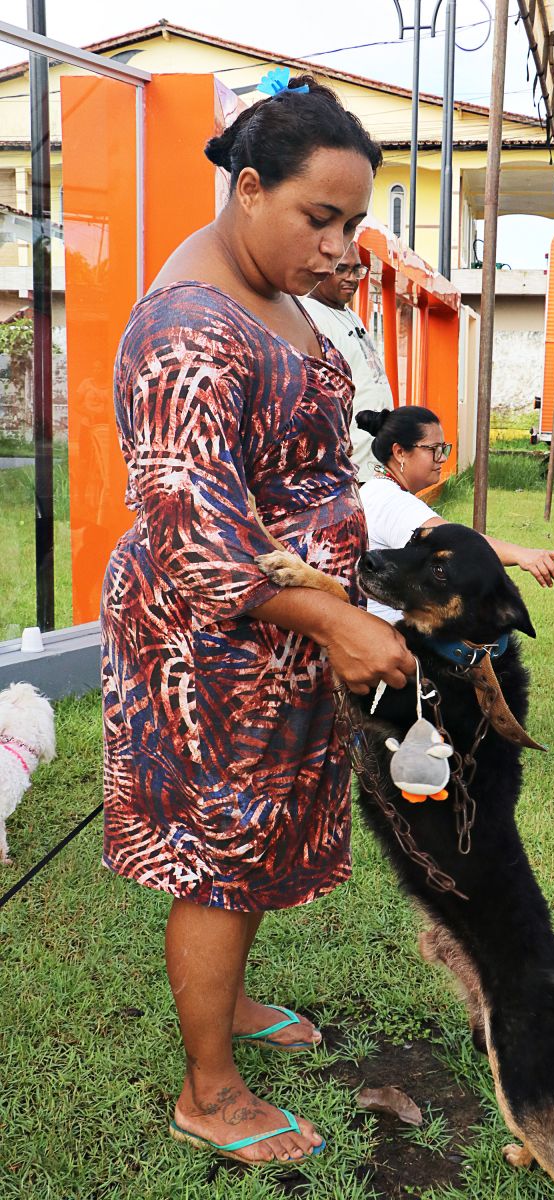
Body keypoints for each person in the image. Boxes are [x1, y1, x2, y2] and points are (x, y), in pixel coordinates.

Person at [100, 75, 416, 1167]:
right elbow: (192, 537)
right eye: (318, 217)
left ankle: (227, 1007)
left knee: (257, 836)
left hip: (275, 635)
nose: (340, 245)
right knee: (222, 853)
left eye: (354, 221)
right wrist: (332, 625)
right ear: (245, 190)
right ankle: (209, 1092)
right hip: (214, 642)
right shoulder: (188, 329)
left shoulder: (271, 290)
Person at [356, 406, 554, 623]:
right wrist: (522, 555)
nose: (442, 459)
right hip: (389, 637)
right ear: (400, 452)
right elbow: (456, 544)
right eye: (433, 449)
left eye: (443, 449)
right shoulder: (391, 500)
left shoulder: (378, 490)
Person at [302, 239, 392, 481]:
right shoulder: (311, 316)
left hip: (373, 458)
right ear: (321, 268)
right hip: (348, 465)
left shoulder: (351, 316)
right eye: (341, 269)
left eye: (357, 270)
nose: (351, 278)